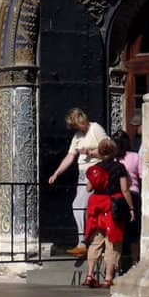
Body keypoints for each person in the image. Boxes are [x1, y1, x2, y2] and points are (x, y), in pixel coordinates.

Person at [47, 107, 107, 257]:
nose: (75, 129)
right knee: (84, 207)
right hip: (82, 174)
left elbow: (108, 151)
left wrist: (91, 152)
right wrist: (57, 173)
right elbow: (70, 156)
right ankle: (87, 240)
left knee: (78, 205)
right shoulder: (77, 136)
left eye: (75, 125)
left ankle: (83, 242)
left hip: (95, 173)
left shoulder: (96, 129)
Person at [82, 138, 134, 289]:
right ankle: (108, 278)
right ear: (113, 151)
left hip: (97, 206)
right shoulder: (119, 168)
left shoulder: (95, 168)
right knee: (113, 241)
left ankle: (90, 275)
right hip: (112, 206)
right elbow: (124, 189)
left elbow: (88, 188)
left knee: (95, 241)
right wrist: (131, 208)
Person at [112, 130, 142, 270]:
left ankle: (115, 263)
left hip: (116, 197)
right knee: (133, 230)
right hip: (133, 194)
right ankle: (135, 261)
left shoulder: (112, 159)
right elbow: (142, 175)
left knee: (117, 229)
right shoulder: (136, 157)